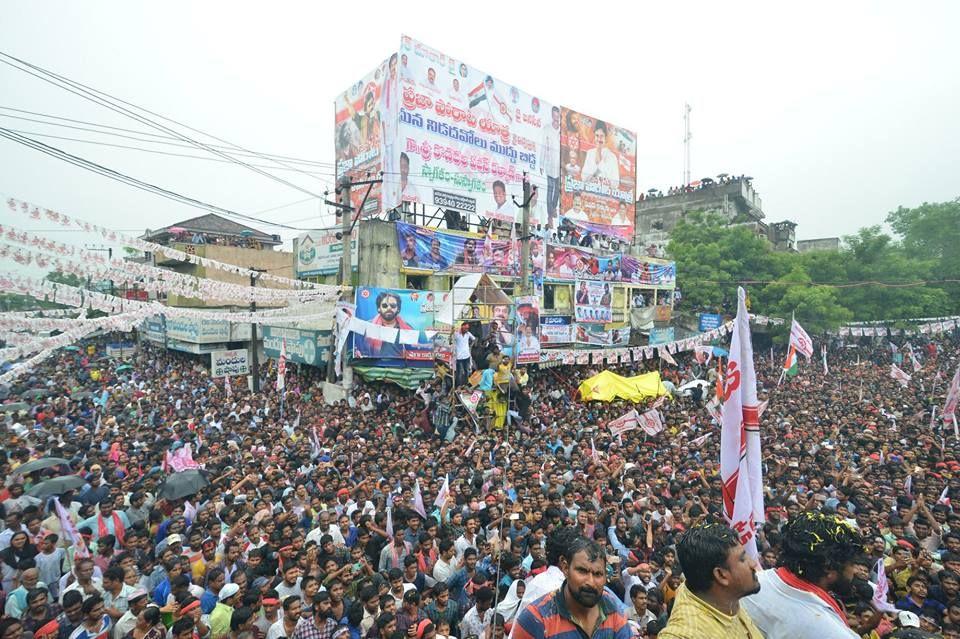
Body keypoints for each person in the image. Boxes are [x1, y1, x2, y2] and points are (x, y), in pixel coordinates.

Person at [742, 512, 865, 638]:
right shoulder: (830, 632)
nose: (855, 571)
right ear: (829, 568)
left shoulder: (748, 585)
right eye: (853, 564)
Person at [512, 537, 630, 639]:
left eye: (598, 574)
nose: (590, 582)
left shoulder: (612, 608)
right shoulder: (535, 618)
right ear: (565, 568)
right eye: (582, 571)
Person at [658, 523, 762, 639]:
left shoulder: (719, 598)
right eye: (742, 559)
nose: (753, 564)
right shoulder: (685, 635)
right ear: (721, 575)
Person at [579, 121, 619, 186]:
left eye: (601, 136)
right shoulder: (590, 153)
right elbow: (583, 177)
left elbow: (616, 183)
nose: (599, 139)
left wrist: (600, 163)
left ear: (605, 138)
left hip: (605, 193)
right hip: (590, 191)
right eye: (597, 136)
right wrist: (598, 150)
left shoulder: (612, 157)